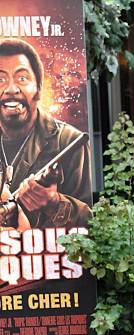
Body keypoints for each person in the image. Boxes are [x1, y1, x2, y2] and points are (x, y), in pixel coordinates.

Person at [0, 38, 91, 230]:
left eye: (22, 78)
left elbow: (90, 225)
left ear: (39, 88)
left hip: (49, 258)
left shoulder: (69, 141)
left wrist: (54, 203)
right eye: (0, 79)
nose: (11, 89)